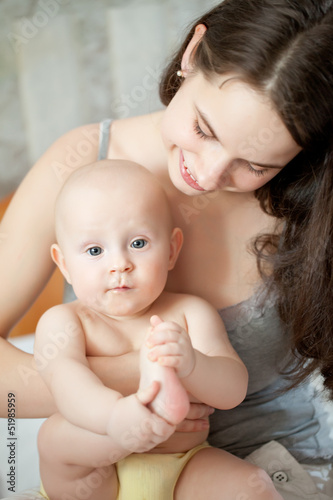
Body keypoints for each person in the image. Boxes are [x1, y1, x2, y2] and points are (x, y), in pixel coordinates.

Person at [0, 1, 332, 498]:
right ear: (194, 52)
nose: (211, 175)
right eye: (203, 129)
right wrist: (144, 381)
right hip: (104, 454)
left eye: (255, 164)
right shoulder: (78, 166)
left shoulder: (312, 198)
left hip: (270, 461)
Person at [35, 159, 280, 500]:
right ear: (64, 264)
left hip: (180, 465)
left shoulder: (189, 313)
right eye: (94, 250)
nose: (119, 264)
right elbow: (66, 380)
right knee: (53, 438)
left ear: (171, 250)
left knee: (253, 484)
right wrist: (115, 420)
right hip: (97, 473)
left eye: (138, 243)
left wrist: (193, 364)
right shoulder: (64, 322)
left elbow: (232, 390)